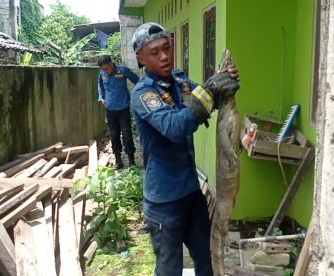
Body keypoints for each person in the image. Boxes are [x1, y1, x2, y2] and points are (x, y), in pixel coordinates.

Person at [130, 22, 240, 276]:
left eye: (166, 48)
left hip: (191, 194)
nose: (164, 56)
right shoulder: (143, 94)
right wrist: (211, 89)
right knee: (170, 270)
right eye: (155, 52)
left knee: (208, 259)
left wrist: (226, 81)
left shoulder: (180, 81)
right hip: (164, 202)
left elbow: (206, 101)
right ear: (141, 58)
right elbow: (175, 126)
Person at [97, 55, 139, 169]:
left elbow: (137, 80)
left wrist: (139, 95)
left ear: (111, 63)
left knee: (127, 134)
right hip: (110, 109)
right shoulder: (102, 73)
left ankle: (131, 161)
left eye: (107, 68)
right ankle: (118, 160)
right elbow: (99, 84)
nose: (106, 71)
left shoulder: (123, 70)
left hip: (123, 109)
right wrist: (101, 96)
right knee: (114, 135)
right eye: (103, 69)